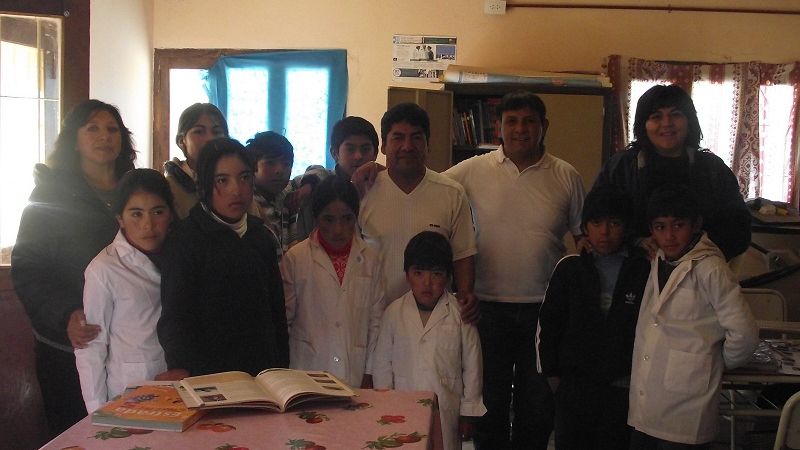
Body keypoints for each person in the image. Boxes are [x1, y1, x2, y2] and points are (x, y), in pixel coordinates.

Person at [443, 91, 584, 450]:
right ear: (498, 127)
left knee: (537, 406)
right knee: (489, 403)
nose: (520, 129)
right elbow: (430, 188)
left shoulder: (566, 176)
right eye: (512, 121)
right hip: (486, 309)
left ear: (543, 126)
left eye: (529, 121)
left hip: (544, 311)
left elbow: (585, 240)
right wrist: (378, 171)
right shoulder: (471, 171)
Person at [11, 99, 136, 436]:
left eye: (112, 129)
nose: (104, 136)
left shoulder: (136, 189)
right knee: (77, 434)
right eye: (92, 128)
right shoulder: (51, 193)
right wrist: (65, 314)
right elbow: (28, 268)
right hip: (71, 343)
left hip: (133, 342)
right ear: (74, 139)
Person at [628, 184, 758, 448]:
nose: (669, 236)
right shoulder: (660, 259)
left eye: (678, 225)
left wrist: (717, 361)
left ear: (696, 224)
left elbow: (744, 334)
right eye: (660, 227)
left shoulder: (711, 268)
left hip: (688, 406)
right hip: (649, 401)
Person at [157, 137, 289, 378]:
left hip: (263, 374)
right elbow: (176, 315)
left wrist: (281, 367)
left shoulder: (260, 237)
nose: (236, 190)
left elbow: (276, 312)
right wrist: (179, 364)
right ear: (205, 185)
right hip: (209, 375)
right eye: (222, 180)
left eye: (244, 177)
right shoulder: (186, 240)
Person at [536, 185, 650, 450]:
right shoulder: (570, 267)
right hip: (574, 386)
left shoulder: (641, 269)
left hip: (623, 386)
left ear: (627, 226)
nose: (605, 232)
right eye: (596, 223)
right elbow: (549, 324)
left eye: (614, 223)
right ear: (585, 226)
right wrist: (553, 376)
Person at [592, 84, 750, 261]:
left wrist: (693, 250)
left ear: (689, 121)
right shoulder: (621, 167)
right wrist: (635, 242)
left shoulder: (712, 169)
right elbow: (596, 220)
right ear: (643, 125)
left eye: (676, 115)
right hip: (631, 269)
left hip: (699, 273)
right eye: (656, 116)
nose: (666, 124)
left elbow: (739, 229)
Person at [358, 102, 478, 318]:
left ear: (427, 144)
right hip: (375, 316)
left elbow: (463, 254)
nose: (407, 146)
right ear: (384, 146)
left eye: (416, 137)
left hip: (433, 320)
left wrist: (465, 294)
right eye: (398, 138)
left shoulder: (452, 193)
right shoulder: (364, 191)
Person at [373, 231, 486, 450]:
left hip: (446, 409)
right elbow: (382, 365)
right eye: (418, 273)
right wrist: (384, 404)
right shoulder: (393, 313)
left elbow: (473, 365)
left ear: (448, 276)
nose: (427, 283)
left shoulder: (460, 314)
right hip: (401, 407)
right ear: (407, 274)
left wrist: (468, 413)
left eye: (436, 274)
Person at [75, 169, 176, 412]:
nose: (148, 225)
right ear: (120, 218)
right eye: (136, 214)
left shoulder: (182, 256)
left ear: (170, 214)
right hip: (128, 391)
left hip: (180, 383)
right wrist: (96, 411)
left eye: (158, 212)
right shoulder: (104, 270)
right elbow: (92, 347)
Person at [281, 175, 385, 388]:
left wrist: (370, 371)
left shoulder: (371, 260)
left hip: (355, 371)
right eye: (329, 219)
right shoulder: (296, 258)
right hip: (306, 372)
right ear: (316, 217)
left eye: (347, 218)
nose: (338, 229)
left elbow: (376, 323)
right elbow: (285, 322)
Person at [294, 116, 379, 241]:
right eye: (350, 149)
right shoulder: (320, 186)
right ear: (334, 153)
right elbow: (314, 172)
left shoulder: (381, 187)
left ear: (376, 153)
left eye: (365, 149)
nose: (358, 156)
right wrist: (310, 182)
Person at [246, 131, 325, 256]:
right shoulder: (246, 200)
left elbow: (321, 171)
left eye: (286, 164)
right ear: (253, 166)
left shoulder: (288, 190)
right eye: (270, 163)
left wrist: (307, 186)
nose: (279, 170)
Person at [164, 103, 228, 219]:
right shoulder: (168, 188)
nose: (210, 139)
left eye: (217, 132)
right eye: (199, 131)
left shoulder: (237, 181)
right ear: (181, 141)